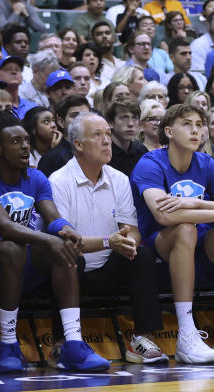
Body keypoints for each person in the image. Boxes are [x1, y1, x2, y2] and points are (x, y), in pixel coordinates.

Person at [0, 109, 109, 373]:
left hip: (28, 264)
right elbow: (3, 227)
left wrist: (66, 230)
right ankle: (8, 344)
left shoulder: (36, 177)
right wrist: (48, 240)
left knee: (63, 248)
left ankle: (73, 344)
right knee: (12, 248)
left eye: (27, 141)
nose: (24, 147)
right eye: (15, 142)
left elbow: (52, 217)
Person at [129, 103, 214, 362]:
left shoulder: (206, 163)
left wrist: (198, 203)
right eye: (187, 124)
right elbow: (164, 215)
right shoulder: (150, 163)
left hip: (202, 245)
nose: (195, 131)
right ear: (168, 131)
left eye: (199, 125)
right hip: (159, 247)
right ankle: (187, 335)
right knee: (184, 230)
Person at [48, 112, 166, 363]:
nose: (107, 141)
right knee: (67, 257)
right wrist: (108, 241)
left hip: (109, 267)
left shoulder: (119, 179)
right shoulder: (58, 181)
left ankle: (142, 338)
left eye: (108, 135)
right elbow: (67, 240)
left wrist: (128, 242)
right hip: (73, 270)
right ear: (78, 144)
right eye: (98, 135)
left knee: (142, 254)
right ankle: (62, 341)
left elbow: (131, 229)